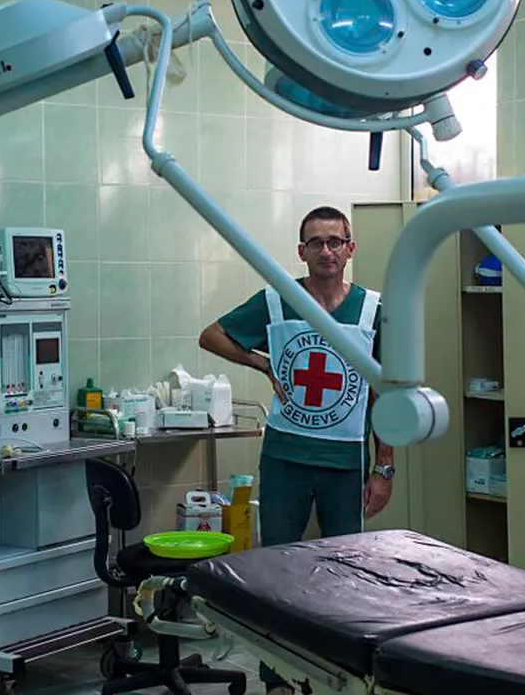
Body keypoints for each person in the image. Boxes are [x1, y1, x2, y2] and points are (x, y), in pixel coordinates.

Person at [198, 205, 395, 695]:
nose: (326, 251)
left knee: (345, 575)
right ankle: (277, 679)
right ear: (301, 251)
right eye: (316, 243)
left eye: (335, 241)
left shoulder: (372, 310)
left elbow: (383, 392)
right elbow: (211, 336)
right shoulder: (277, 300)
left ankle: (341, 674)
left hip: (345, 460)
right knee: (277, 574)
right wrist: (261, 362)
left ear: (350, 249)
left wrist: (384, 466)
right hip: (286, 458)